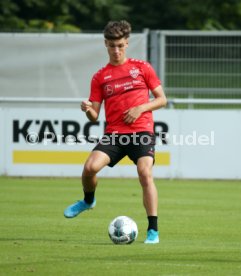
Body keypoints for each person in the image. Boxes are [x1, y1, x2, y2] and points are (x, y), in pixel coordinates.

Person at [64, 20, 167, 244]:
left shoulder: (142, 68)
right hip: (115, 134)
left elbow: (162, 99)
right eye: (112, 45)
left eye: (120, 45)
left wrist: (141, 108)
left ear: (127, 43)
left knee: (144, 172)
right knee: (89, 168)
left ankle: (153, 230)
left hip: (141, 131)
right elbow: (94, 116)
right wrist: (88, 109)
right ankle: (88, 201)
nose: (116, 50)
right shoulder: (100, 77)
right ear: (106, 45)